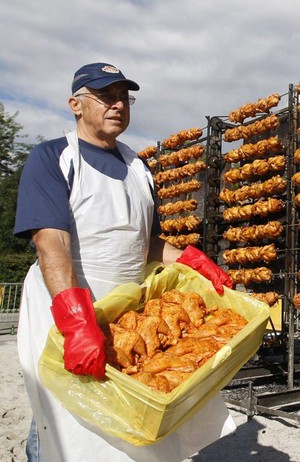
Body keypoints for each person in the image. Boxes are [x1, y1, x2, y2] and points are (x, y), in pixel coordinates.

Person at [14, 63, 234, 461]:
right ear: (76, 105)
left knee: (132, 411)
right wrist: (76, 322)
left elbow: (144, 244)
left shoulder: (139, 167)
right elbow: (52, 244)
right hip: (68, 301)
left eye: (124, 97)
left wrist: (188, 258)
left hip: (127, 309)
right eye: (105, 96)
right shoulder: (53, 157)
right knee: (64, 416)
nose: (117, 105)